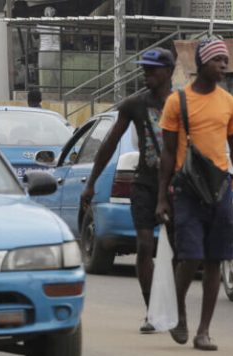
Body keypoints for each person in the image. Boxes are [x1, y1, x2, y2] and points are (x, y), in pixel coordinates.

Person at [155, 39, 233, 351]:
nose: (224, 65)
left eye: (225, 60)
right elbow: (167, 153)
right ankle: (179, 311)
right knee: (191, 255)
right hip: (187, 190)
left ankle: (203, 330)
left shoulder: (230, 104)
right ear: (202, 64)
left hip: (220, 188)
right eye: (218, 60)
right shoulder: (176, 102)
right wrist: (162, 197)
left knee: (214, 261)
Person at [80, 48, 176, 333]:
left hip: (178, 184)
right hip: (145, 183)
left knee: (183, 252)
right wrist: (91, 183)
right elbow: (109, 144)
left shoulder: (184, 103)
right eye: (144, 69)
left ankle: (175, 312)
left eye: (152, 69)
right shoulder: (134, 105)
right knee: (145, 245)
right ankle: (152, 311)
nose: (146, 74)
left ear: (169, 72)